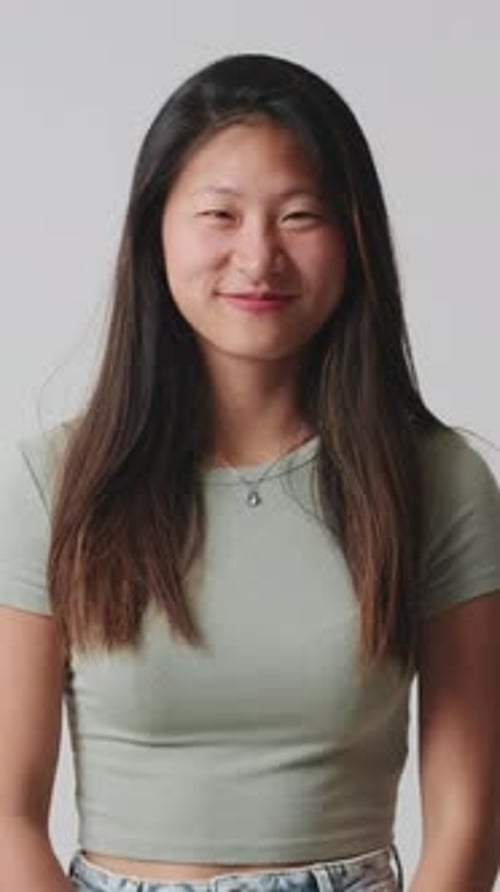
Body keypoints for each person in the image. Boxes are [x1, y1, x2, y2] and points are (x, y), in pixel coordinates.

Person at [0, 52, 499, 892]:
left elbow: (471, 814)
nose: (258, 255)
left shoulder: (435, 481)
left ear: (355, 236)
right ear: (157, 227)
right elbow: (6, 810)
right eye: (220, 215)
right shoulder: (56, 482)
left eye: (301, 215)